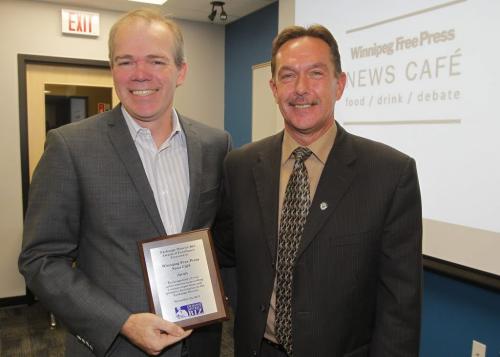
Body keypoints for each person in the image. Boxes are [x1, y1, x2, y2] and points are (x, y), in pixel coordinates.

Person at [19, 8, 231, 357]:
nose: (140, 74)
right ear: (112, 70)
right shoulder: (71, 147)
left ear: (181, 71)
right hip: (115, 347)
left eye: (156, 61)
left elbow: (222, 242)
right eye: (126, 61)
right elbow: (40, 259)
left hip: (199, 344)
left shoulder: (214, 144)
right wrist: (122, 322)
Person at [214, 25, 422, 356]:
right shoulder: (239, 166)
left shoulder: (390, 174)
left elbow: (401, 304)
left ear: (339, 85)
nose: (300, 88)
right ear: (273, 87)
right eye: (287, 76)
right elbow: (223, 253)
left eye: (315, 73)